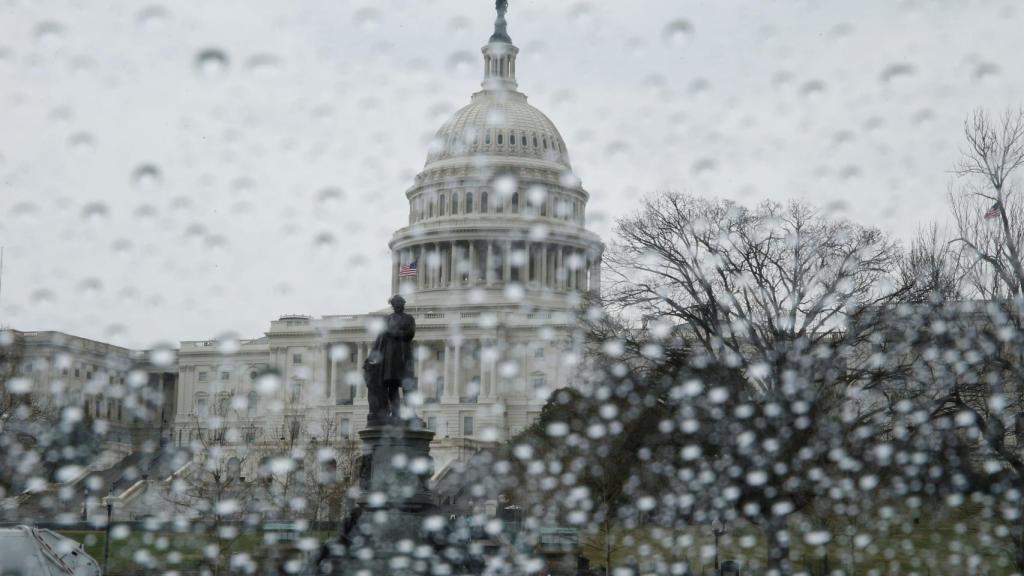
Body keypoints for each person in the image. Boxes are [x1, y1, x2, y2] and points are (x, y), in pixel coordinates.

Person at [364, 295, 416, 422]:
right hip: (390, 358)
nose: (398, 305)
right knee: (392, 386)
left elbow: (410, 333)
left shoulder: (409, 318)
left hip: (404, 355)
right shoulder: (387, 319)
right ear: (393, 305)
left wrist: (394, 333)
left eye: (400, 302)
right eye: (395, 303)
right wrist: (372, 357)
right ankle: (396, 413)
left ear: (403, 304)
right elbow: (379, 339)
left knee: (408, 386)